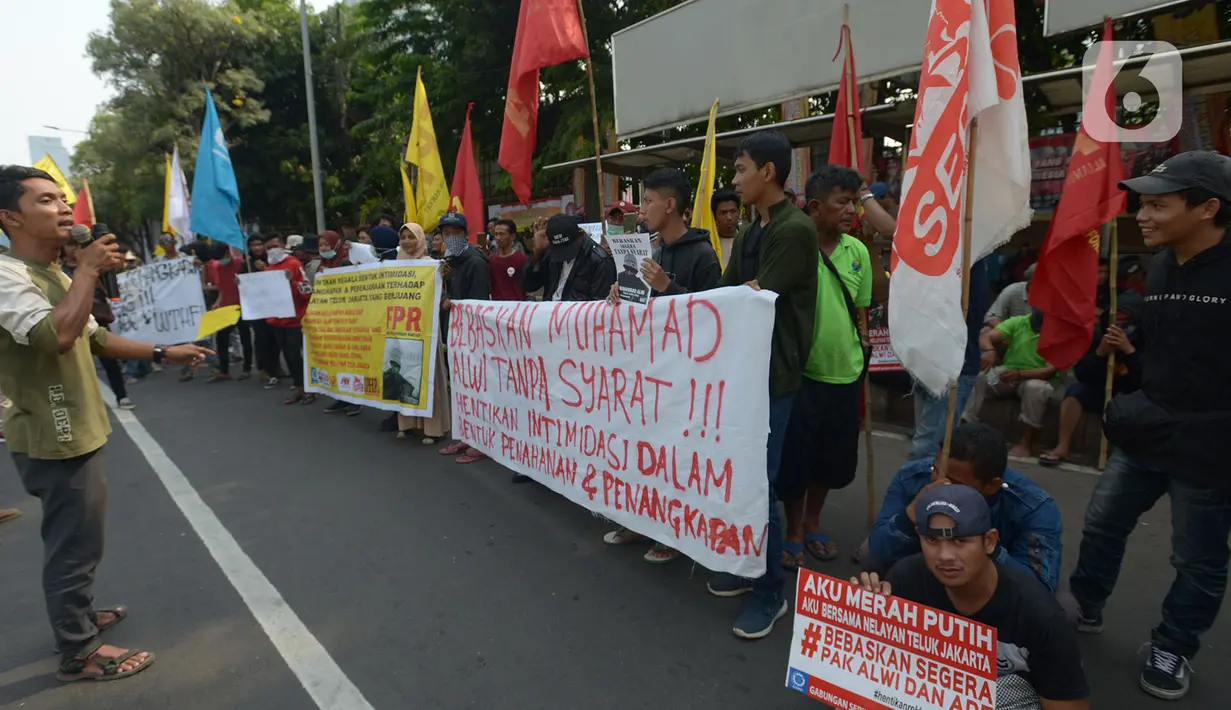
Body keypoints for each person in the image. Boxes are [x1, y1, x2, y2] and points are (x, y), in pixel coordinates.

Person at [0, 164, 212, 682]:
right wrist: (89, 270)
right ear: (10, 218)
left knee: (82, 539)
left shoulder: (52, 271)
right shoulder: (9, 277)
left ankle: (77, 615)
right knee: (73, 546)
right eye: (46, 200)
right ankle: (78, 652)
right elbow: (57, 336)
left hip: (78, 426)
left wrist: (163, 351)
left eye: (63, 199)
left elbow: (95, 336)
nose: (64, 208)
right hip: (54, 432)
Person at [1070, 150, 1231, 700]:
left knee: (1198, 558)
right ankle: (1083, 605)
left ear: (1208, 208)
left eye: (1159, 205)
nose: (1142, 215)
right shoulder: (1159, 266)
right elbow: (1160, 361)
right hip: (1147, 432)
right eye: (1142, 204)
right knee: (1102, 524)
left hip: (1210, 449)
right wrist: (1131, 359)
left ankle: (1175, 644)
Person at [705, 130, 818, 640]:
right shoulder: (753, 229)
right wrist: (670, 293)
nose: (734, 179)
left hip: (774, 376)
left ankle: (771, 592)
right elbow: (729, 291)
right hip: (742, 370)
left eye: (740, 169)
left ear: (768, 173)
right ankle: (747, 566)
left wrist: (745, 292)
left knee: (761, 483)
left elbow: (758, 296)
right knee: (738, 475)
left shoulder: (794, 229)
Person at [855, 484, 1091, 710]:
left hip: (998, 699)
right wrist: (862, 617)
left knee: (1010, 690)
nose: (945, 555)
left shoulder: (1041, 616)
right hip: (927, 691)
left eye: (960, 540)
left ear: (989, 541)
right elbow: (870, 674)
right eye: (932, 540)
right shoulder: (905, 579)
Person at [602, 168, 721, 563]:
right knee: (645, 452)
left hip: (685, 379)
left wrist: (669, 288)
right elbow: (644, 308)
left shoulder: (703, 255)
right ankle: (641, 518)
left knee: (676, 458)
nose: (642, 209)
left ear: (671, 205)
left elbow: (712, 319)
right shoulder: (652, 251)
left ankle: (673, 531)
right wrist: (622, 292)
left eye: (649, 200)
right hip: (651, 373)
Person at [775, 166, 869, 571]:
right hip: (802, 375)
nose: (851, 210)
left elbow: (861, 313)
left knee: (832, 460)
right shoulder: (794, 247)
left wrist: (862, 355)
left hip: (846, 375)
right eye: (842, 202)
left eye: (853, 201)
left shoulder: (859, 252)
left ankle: (813, 522)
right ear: (814, 207)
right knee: (796, 459)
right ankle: (793, 529)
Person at [862, 423, 1062, 591]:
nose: (939, 486)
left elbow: (1038, 588)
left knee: (1067, 612)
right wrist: (907, 520)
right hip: (926, 574)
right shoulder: (911, 478)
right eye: (936, 471)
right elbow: (878, 550)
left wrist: (983, 547)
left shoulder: (1035, 508)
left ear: (992, 486)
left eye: (953, 482)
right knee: (868, 552)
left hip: (991, 592)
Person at [1039, 292, 1144, 467]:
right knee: (1075, 393)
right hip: (1101, 389)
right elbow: (1082, 373)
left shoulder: (1147, 339)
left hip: (1132, 393)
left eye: (1126, 323)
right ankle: (1062, 446)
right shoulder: (1099, 336)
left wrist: (1129, 351)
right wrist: (1100, 354)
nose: (1120, 327)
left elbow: (1147, 377)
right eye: (1116, 322)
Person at [434, 212, 490, 464]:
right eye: (446, 233)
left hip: (473, 337)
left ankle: (482, 440)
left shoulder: (475, 262)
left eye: (455, 232)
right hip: (455, 334)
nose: (450, 237)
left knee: (476, 388)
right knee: (460, 388)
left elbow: (477, 304)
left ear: (465, 234)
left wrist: (452, 304)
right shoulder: (450, 260)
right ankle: (467, 435)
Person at [965, 309, 1058, 458]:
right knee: (980, 376)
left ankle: (1026, 442)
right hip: (1008, 375)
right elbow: (986, 336)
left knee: (1036, 389)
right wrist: (989, 350)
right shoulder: (1020, 321)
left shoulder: (1059, 331)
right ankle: (965, 427)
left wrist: (1021, 374)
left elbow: (1049, 370)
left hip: (1038, 379)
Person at [60, 231, 134, 410]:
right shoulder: (59, 271)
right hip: (73, 319)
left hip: (98, 317)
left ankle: (121, 395)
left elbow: (112, 285)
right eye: (70, 245)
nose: (75, 249)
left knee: (110, 359)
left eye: (78, 245)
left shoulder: (97, 267)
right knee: (76, 364)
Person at [392, 222, 451, 444]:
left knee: (428, 377)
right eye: (403, 237)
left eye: (411, 237)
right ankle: (407, 424)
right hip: (401, 328)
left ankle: (432, 429)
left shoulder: (431, 265)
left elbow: (439, 294)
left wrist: (443, 275)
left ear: (421, 239)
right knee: (404, 375)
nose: (407, 241)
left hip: (425, 329)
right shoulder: (394, 265)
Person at [262, 234, 314, 405]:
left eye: (275, 245)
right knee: (289, 356)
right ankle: (299, 387)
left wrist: (292, 282)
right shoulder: (268, 270)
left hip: (294, 320)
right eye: (269, 247)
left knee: (296, 355)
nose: (273, 250)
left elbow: (307, 291)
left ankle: (308, 389)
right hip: (277, 321)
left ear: (282, 245)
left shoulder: (293, 264)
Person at [523, 213, 616, 303]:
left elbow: (598, 307)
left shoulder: (599, 260)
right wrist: (538, 253)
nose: (564, 255)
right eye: (559, 250)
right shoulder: (550, 253)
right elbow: (529, 286)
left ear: (581, 234)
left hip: (575, 316)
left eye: (568, 248)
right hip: (550, 313)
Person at [318, 231, 362, 416]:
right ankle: (341, 397)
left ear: (336, 244)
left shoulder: (348, 260)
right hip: (334, 317)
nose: (323, 248)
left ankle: (355, 400)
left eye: (326, 244)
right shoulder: (325, 264)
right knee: (339, 360)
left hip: (351, 317)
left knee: (353, 361)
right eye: (321, 245)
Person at [203, 246, 253, 383]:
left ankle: (247, 369)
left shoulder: (241, 264)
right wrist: (218, 302)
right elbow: (223, 288)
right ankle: (224, 371)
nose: (220, 260)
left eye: (221, 257)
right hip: (226, 307)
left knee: (245, 338)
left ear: (228, 253)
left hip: (242, 306)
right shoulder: (219, 267)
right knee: (221, 339)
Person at [246, 234, 285, 389]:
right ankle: (265, 369)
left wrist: (265, 269)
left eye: (259, 244)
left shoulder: (273, 260)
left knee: (276, 338)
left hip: (274, 305)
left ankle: (276, 366)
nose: (257, 248)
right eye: (253, 245)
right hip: (257, 307)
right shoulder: (247, 263)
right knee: (261, 339)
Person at [984, 262, 1035, 328]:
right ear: (1029, 281)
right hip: (1012, 333)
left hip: (1039, 335)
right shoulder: (1012, 290)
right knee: (986, 331)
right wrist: (1008, 332)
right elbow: (991, 318)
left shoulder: (1050, 296)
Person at [488, 218, 528, 302]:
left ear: (512, 236)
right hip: (497, 310)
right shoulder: (490, 260)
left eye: (502, 234)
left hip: (517, 309)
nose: (498, 238)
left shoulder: (522, 259)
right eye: (496, 234)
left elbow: (529, 290)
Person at [711, 188, 741, 271]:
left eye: (733, 212)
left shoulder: (748, 241)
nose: (729, 218)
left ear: (739, 212)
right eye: (723, 213)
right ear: (715, 216)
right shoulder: (710, 245)